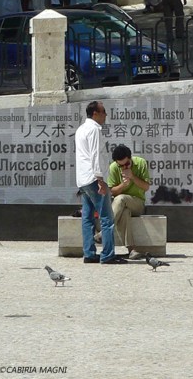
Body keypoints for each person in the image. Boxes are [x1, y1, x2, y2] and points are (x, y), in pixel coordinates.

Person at [76, 101, 126, 264]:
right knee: (106, 217)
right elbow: (95, 155)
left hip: (83, 179)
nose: (106, 115)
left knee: (87, 218)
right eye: (103, 111)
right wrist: (100, 179)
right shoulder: (94, 129)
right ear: (95, 113)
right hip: (93, 178)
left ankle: (89, 253)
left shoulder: (81, 129)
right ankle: (107, 254)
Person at [106, 144, 150, 261]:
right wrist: (123, 185)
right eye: (121, 166)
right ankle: (132, 250)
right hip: (121, 205)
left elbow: (146, 187)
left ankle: (104, 232)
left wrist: (132, 177)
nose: (124, 167)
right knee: (124, 211)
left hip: (138, 203)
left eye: (127, 164)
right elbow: (112, 192)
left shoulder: (141, 163)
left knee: (121, 199)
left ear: (130, 159)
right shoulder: (113, 167)